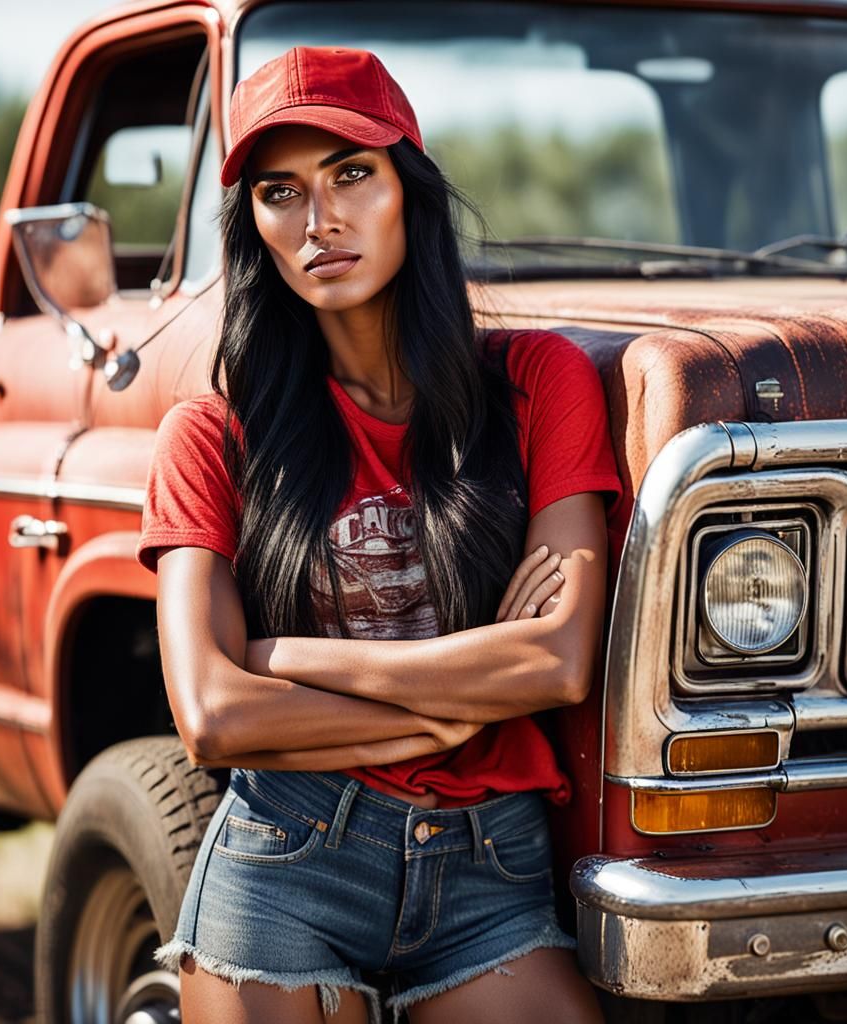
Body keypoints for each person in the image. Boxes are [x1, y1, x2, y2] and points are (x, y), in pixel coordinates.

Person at [136, 44, 621, 1024]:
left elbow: (561, 658)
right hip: (288, 853)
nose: (320, 221)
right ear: (255, 227)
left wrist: (284, 658)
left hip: (491, 864)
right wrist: (455, 705)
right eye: (281, 191)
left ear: (410, 190)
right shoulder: (211, 437)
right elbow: (214, 716)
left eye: (352, 173)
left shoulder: (537, 382)